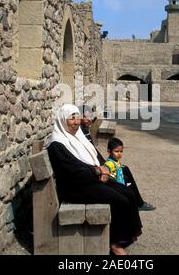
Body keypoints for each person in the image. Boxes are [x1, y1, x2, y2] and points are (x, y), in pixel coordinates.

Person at [46, 105, 142, 255]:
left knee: (127, 192)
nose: (77, 122)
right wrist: (98, 171)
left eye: (77, 117)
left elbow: (93, 155)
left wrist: (104, 169)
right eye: (72, 118)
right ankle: (115, 244)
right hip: (74, 188)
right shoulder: (57, 144)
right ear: (63, 120)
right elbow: (72, 171)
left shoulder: (77, 136)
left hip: (88, 180)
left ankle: (127, 237)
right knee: (119, 200)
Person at [79, 105, 156, 212]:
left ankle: (137, 202)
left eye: (89, 116)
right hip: (94, 170)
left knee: (124, 169)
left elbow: (93, 151)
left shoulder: (85, 130)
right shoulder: (80, 132)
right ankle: (136, 202)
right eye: (85, 117)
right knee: (123, 172)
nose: (88, 119)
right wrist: (103, 166)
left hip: (98, 165)